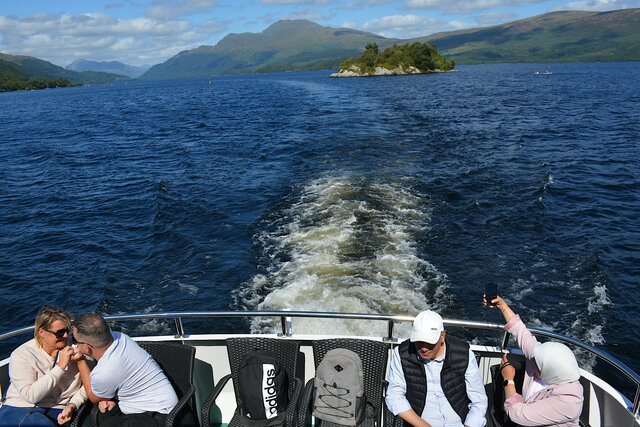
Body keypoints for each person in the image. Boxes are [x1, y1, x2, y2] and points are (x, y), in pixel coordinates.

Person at [484, 294, 584, 426]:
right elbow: (521, 332)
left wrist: (509, 380)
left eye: (537, 363)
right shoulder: (541, 358)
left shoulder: (570, 401)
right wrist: (503, 306)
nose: (531, 360)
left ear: (549, 371)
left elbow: (518, 414)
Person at [72, 313, 178, 427]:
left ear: (87, 347)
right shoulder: (120, 337)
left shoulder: (104, 372)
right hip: (152, 404)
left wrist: (80, 361)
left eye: (75, 340)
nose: (75, 343)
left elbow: (94, 397)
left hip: (156, 414)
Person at [386, 310, 488, 427]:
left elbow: (479, 401)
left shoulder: (464, 353)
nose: (424, 348)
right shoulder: (401, 354)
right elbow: (394, 396)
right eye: (419, 342)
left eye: (430, 342)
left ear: (442, 336)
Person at [0, 305, 87, 426]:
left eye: (67, 330)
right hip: (20, 407)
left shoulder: (77, 349)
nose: (66, 336)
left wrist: (73, 404)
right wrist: (60, 367)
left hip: (59, 409)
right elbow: (31, 397)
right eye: (60, 333)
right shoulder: (22, 355)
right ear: (42, 332)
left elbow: (90, 382)